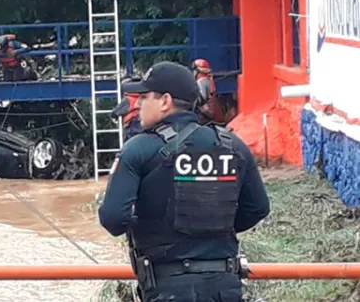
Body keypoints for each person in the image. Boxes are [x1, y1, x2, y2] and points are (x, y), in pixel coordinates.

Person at [97, 61, 270, 302]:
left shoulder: (138, 149)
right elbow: (258, 208)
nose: (137, 104)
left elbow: (113, 219)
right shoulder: (234, 146)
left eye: (144, 97)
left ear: (165, 101)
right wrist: (210, 226)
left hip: (168, 288)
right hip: (225, 287)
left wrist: (157, 228)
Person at [191, 58, 225, 124]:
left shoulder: (201, 81)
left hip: (205, 115)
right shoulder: (208, 79)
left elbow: (201, 99)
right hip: (210, 113)